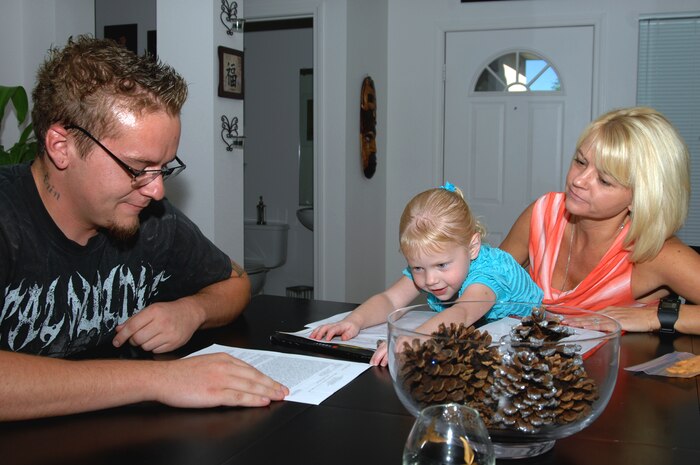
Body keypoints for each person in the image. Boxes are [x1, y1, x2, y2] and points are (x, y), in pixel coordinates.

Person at [0, 36, 288, 421]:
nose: (156, 190)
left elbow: (235, 283)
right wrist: (161, 380)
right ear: (60, 146)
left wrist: (192, 311)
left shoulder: (150, 219)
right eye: (138, 168)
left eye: (164, 168)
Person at [500, 106, 700, 335]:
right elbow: (488, 280)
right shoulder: (542, 214)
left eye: (604, 180)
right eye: (580, 162)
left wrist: (653, 316)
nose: (579, 181)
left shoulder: (656, 254)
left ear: (641, 197)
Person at [310, 183, 543, 366]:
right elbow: (390, 299)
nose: (430, 280)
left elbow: (462, 312)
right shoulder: (433, 266)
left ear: (472, 247)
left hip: (532, 347)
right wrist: (354, 321)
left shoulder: (488, 275)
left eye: (442, 265)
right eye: (418, 268)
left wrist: (414, 337)